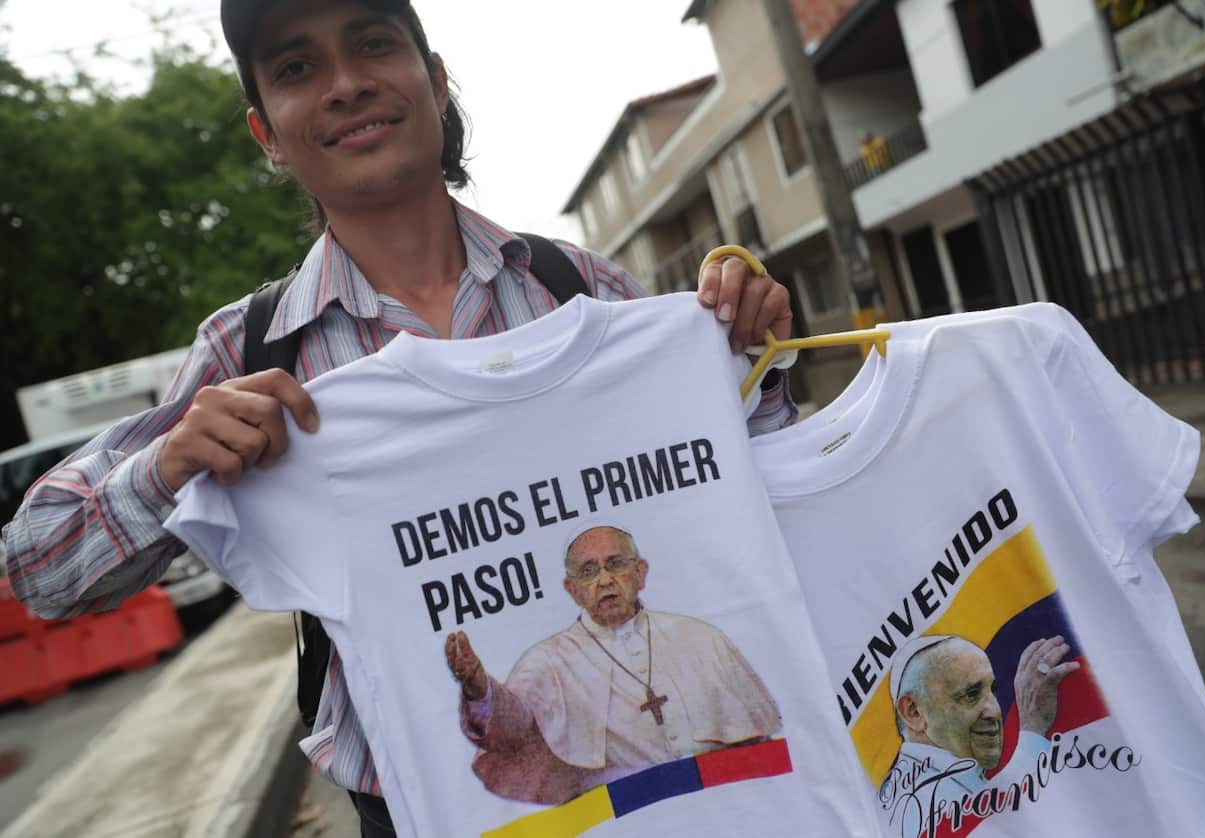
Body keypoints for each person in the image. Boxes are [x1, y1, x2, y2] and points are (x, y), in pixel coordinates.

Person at [0, 1, 798, 835]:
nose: (346, 84)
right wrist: (167, 468)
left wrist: (750, 360)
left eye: (374, 43)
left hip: (691, 794)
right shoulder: (252, 354)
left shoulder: (583, 290)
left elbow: (754, 495)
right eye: (297, 68)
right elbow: (40, 572)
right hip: (423, 810)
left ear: (437, 81)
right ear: (267, 134)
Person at [444, 526, 780, 805]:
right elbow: (516, 732)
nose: (604, 580)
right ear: (573, 590)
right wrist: (478, 688)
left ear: (640, 573)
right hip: (625, 817)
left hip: (723, 802)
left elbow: (757, 744)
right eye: (589, 571)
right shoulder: (547, 661)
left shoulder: (700, 637)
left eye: (615, 564)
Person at [881, 634, 1077, 831]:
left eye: (993, 690)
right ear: (913, 712)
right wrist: (1032, 730)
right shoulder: (917, 802)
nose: (994, 711)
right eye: (971, 694)